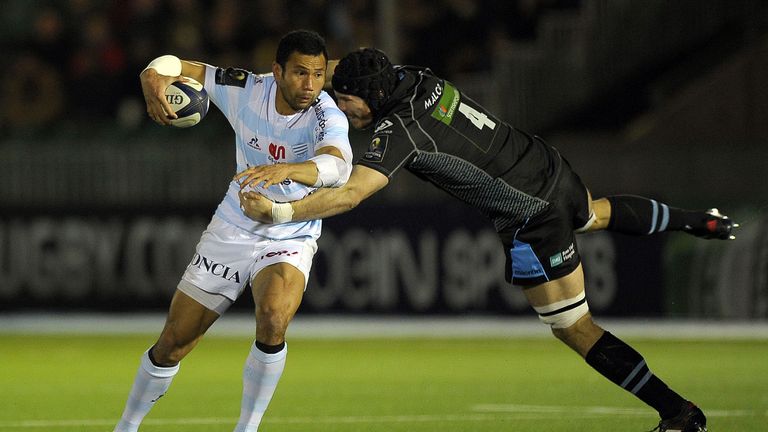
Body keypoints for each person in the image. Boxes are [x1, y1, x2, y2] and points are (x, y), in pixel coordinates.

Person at [238, 48, 738, 432]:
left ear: (367, 96)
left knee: (574, 327)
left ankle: (679, 412)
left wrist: (282, 209)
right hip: (545, 165)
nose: (340, 109)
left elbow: (350, 195)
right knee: (592, 214)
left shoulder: (401, 129)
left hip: (530, 214)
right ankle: (696, 219)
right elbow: (360, 68)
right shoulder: (415, 79)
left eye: (343, 100)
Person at [113, 30, 352, 432]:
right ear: (277, 71)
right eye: (298, 73)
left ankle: (247, 428)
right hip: (235, 225)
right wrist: (152, 76)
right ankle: (127, 426)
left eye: (316, 74)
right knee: (175, 341)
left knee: (274, 316)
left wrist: (289, 170)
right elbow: (179, 65)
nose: (309, 84)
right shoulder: (245, 89)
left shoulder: (327, 114)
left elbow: (338, 166)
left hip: (291, 228)